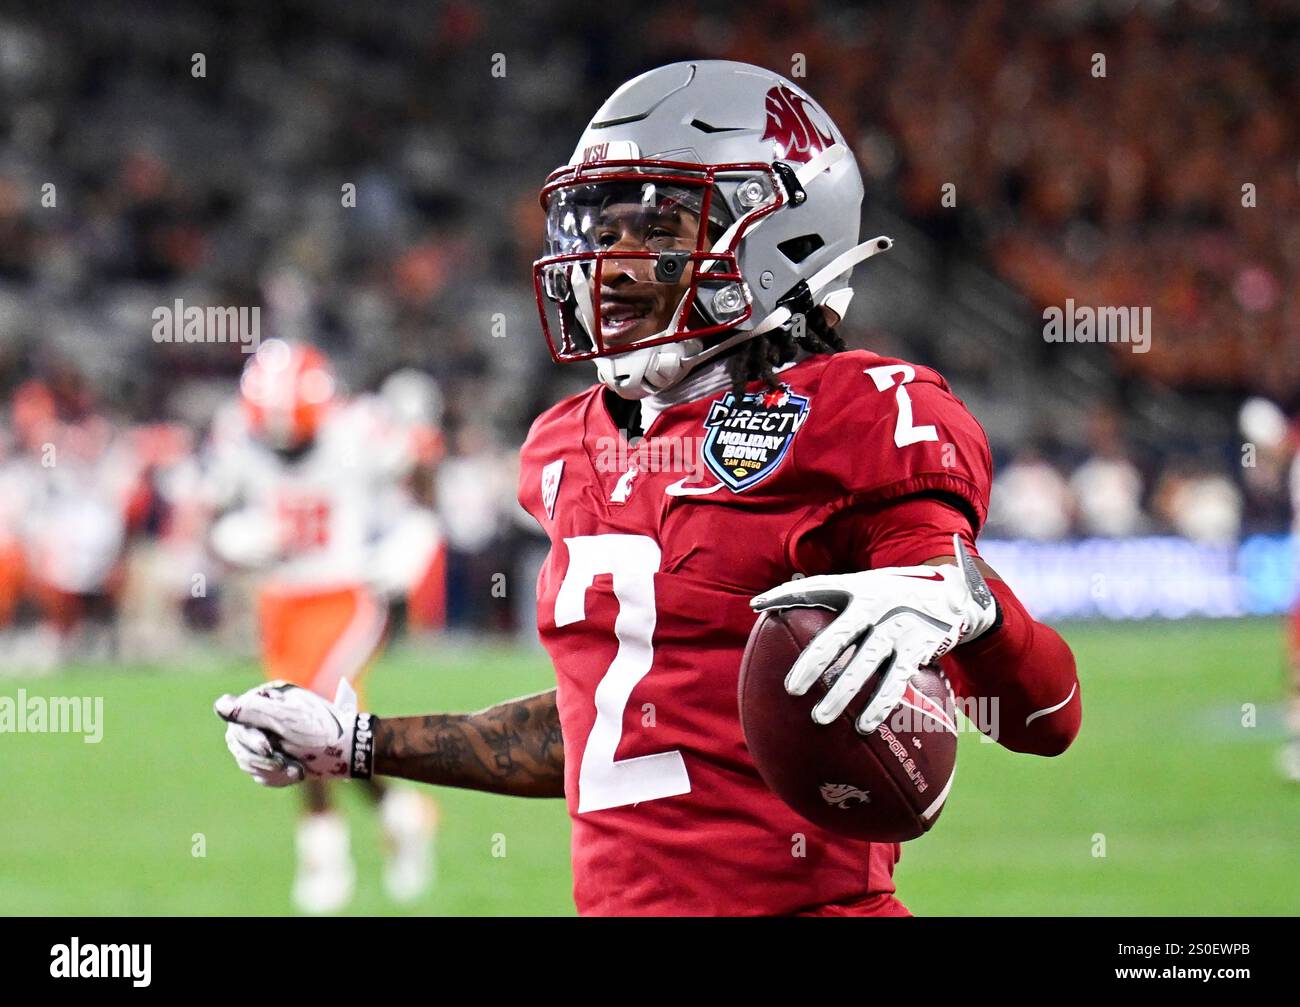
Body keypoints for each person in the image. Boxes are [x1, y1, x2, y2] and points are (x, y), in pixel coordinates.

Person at [216, 62, 1082, 916]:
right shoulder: (568, 444)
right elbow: (602, 728)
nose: (611, 265)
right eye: (601, 229)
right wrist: (360, 743)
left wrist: (979, 611)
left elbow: (1045, 718)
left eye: (659, 231)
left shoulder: (855, 413)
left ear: (782, 235)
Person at [208, 339, 441, 912]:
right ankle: (401, 813)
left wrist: (410, 542)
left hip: (345, 594)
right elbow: (218, 516)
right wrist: (237, 538)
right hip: (280, 603)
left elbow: (421, 470)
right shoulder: (239, 438)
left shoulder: (357, 432)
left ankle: (324, 860)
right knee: (327, 733)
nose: (285, 449)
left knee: (300, 720)